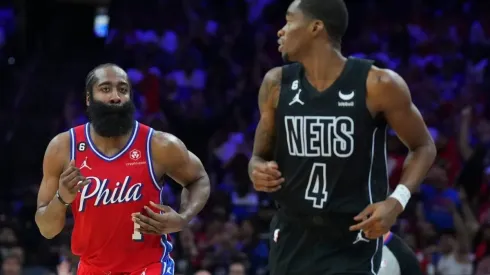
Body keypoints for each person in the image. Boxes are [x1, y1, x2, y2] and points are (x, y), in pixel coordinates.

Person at [248, 0, 436, 274]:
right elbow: (258, 156)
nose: (281, 31)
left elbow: (423, 146)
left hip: (352, 237)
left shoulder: (378, 84)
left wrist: (396, 202)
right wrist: (256, 169)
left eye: (289, 20)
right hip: (291, 234)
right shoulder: (276, 83)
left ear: (316, 27)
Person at [34, 64, 211, 275]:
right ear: (89, 98)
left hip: (150, 267)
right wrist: (62, 198)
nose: (116, 96)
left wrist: (184, 217)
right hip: (92, 269)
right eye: (106, 89)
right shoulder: (63, 148)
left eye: (123, 89)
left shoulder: (158, 145)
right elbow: (47, 229)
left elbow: (199, 178)